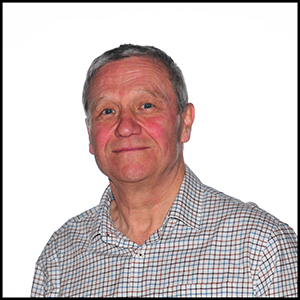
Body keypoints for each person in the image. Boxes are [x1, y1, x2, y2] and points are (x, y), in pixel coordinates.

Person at [31, 44, 297, 297]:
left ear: (185, 122)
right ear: (90, 135)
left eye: (146, 105)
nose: (125, 127)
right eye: (107, 110)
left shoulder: (262, 246)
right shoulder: (60, 256)